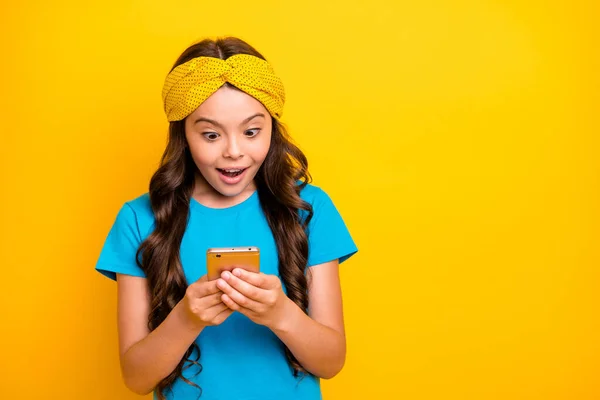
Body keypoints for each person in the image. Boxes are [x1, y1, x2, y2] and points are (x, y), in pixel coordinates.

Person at [95, 36, 358, 400]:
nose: (234, 151)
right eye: (210, 134)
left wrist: (280, 313)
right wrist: (187, 318)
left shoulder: (308, 209)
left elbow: (331, 362)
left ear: (272, 128)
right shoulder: (139, 220)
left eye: (251, 131)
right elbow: (136, 379)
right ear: (183, 134)